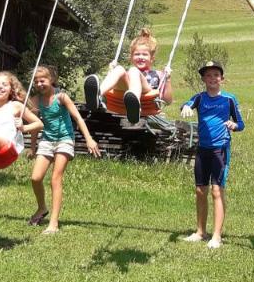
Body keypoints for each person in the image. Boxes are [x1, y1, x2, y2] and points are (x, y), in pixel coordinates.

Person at [26, 66, 101, 233]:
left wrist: (89, 139)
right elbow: (35, 125)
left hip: (64, 140)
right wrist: (32, 147)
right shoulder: (36, 101)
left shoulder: (61, 97)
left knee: (55, 179)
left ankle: (54, 223)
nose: (39, 84)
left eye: (42, 80)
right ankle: (41, 208)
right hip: (47, 140)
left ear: (51, 79)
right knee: (35, 178)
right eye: (36, 81)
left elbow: (78, 118)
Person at [179, 60, 244, 249]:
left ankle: (217, 236)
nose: (212, 78)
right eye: (208, 75)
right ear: (203, 79)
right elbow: (188, 104)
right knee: (200, 190)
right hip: (203, 149)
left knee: (217, 190)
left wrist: (234, 125)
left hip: (220, 149)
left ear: (222, 79)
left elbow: (241, 124)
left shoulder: (229, 99)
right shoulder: (200, 97)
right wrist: (185, 107)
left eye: (216, 75)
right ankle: (200, 231)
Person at [82, 27, 173, 125]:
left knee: (133, 71)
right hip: (123, 98)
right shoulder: (128, 74)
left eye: (144, 55)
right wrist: (110, 72)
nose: (140, 57)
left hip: (147, 99)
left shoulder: (158, 74)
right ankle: (97, 96)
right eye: (137, 54)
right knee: (119, 69)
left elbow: (167, 101)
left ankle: (134, 103)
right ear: (131, 57)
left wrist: (167, 79)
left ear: (152, 58)